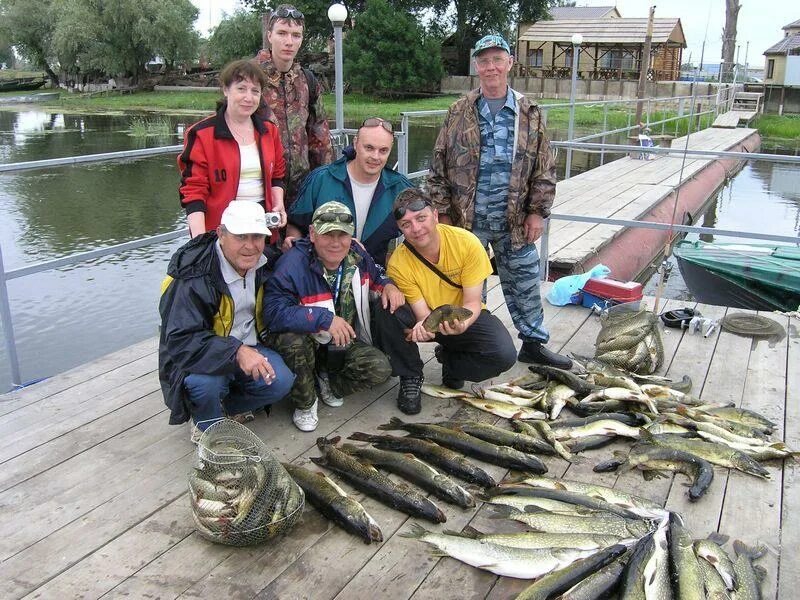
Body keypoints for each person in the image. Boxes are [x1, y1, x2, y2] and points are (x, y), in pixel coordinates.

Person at [427, 34, 571, 369]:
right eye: (484, 61)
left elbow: (544, 167)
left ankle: (533, 343)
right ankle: (465, 348)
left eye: (497, 60)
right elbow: (437, 168)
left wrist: (537, 212)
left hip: (514, 220)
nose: (491, 67)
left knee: (524, 280)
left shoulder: (530, 113)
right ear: (476, 66)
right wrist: (444, 214)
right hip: (467, 222)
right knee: (468, 288)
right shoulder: (458, 112)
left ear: (509, 63)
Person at [263, 202, 407, 432]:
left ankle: (328, 381)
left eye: (343, 235)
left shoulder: (357, 253)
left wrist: (388, 285)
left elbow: (377, 273)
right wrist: (324, 319)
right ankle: (306, 402)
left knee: (380, 368)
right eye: (328, 234)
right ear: (312, 233)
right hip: (307, 340)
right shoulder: (291, 265)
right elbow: (272, 313)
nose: (336, 242)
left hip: (341, 343)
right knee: (290, 340)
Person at [158, 202, 294, 437]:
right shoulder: (193, 276)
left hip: (250, 344)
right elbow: (181, 341)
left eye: (257, 237)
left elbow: (307, 256)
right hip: (200, 356)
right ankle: (205, 422)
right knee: (205, 385)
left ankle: (224, 409)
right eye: (240, 236)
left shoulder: (265, 262)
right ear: (221, 234)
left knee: (280, 381)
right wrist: (237, 351)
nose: (250, 247)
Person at [385, 189, 517, 415]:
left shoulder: (466, 243)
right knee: (388, 307)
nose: (416, 229)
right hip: (430, 318)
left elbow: (473, 303)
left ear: (435, 215)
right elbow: (422, 313)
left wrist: (463, 325)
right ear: (400, 229)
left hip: (464, 313)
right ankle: (410, 375)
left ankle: (450, 362)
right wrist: (423, 328)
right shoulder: (398, 261)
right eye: (406, 224)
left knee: (504, 354)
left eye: (421, 218)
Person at [178, 59, 287, 240]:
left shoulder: (270, 131)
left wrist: (278, 204)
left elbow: (277, 175)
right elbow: (194, 190)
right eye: (241, 88)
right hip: (223, 229)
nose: (248, 97)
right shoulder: (202, 134)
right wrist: (199, 240)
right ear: (226, 89)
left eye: (255, 91)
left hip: (262, 226)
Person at [285, 117, 413, 266]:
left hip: (372, 276)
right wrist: (294, 249)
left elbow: (421, 232)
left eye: (383, 150)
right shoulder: (320, 179)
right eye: (369, 148)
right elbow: (295, 224)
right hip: (318, 274)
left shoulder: (400, 189)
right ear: (355, 143)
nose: (375, 157)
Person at [259, 4, 333, 207]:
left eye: (296, 35)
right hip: (259, 191)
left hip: (301, 194)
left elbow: (320, 141)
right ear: (269, 35)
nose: (289, 42)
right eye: (282, 33)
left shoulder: (307, 80)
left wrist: (326, 187)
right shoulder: (249, 78)